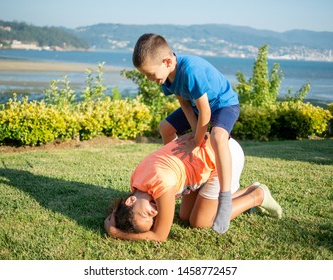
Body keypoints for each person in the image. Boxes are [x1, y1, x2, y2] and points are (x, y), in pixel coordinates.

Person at [132, 33, 240, 234]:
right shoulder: (166, 76)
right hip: (197, 107)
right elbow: (186, 105)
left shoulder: (191, 70)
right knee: (165, 127)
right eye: (145, 75)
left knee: (216, 136)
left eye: (150, 74)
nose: (149, 79)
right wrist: (193, 134)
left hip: (223, 105)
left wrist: (198, 141)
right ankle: (180, 172)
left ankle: (225, 198)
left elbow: (206, 111)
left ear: (167, 61)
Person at [104, 133, 282, 242]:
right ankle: (250, 189)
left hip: (224, 156)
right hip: (203, 158)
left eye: (145, 214)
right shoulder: (137, 180)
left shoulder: (162, 187)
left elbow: (160, 236)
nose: (155, 214)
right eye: (152, 220)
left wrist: (116, 232)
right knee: (184, 216)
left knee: (200, 222)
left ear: (131, 200)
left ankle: (257, 195)